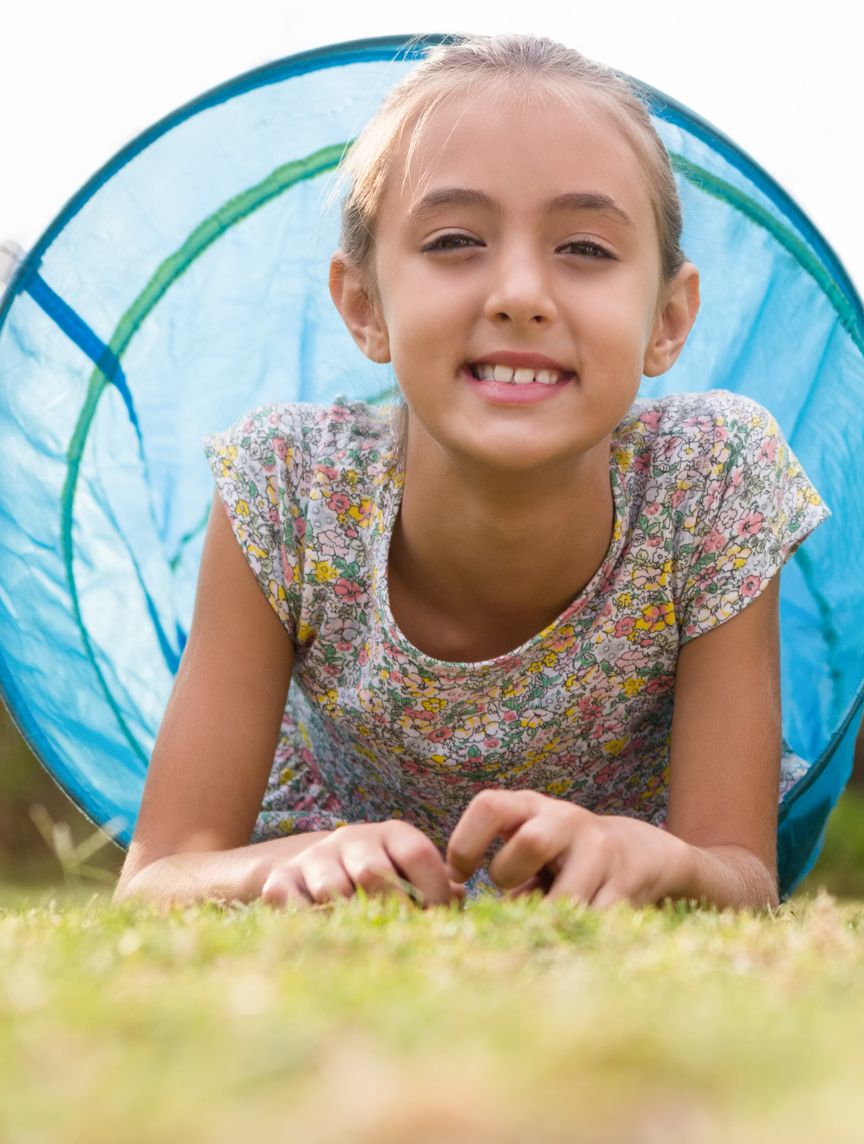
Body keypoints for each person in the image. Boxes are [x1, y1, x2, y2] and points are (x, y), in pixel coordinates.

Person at [115, 35, 826, 910]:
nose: (519, 291)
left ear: (668, 320)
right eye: (456, 240)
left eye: (587, 249)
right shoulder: (288, 489)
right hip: (330, 845)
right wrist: (294, 867)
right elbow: (160, 876)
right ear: (364, 307)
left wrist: (664, 862)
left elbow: (742, 874)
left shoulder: (710, 481)